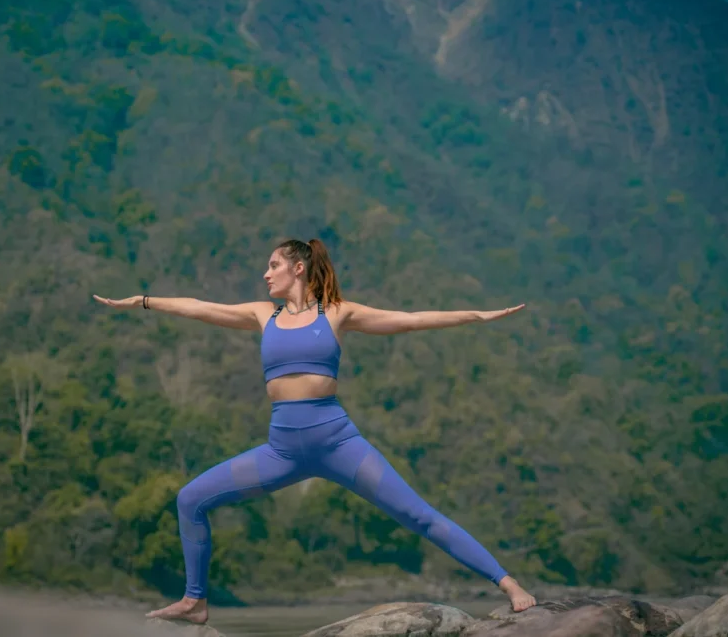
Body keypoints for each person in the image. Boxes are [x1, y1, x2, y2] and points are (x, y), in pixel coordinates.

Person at [93, 238, 536, 624]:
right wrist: (144, 301)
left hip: (338, 442)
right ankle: (194, 601)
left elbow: (411, 318)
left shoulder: (338, 313)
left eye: (273, 265)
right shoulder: (262, 314)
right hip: (281, 450)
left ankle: (509, 584)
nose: (265, 274)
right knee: (190, 499)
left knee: (418, 516)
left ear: (298, 267)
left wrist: (476, 315)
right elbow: (199, 308)